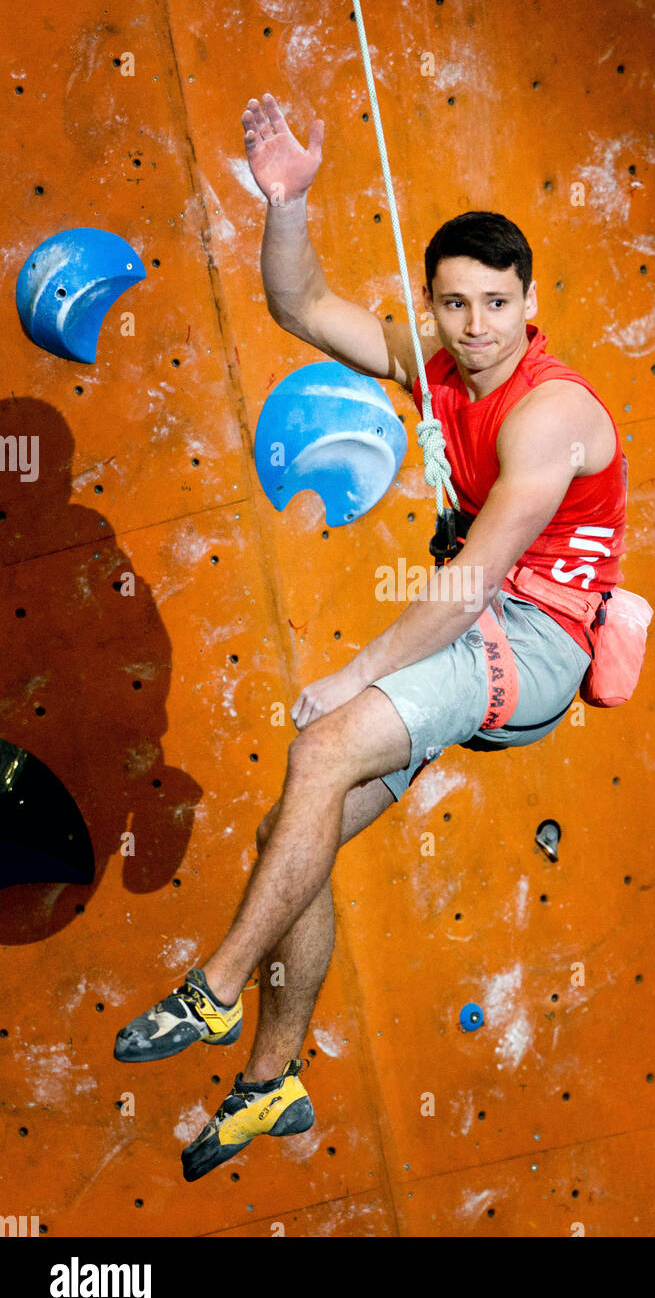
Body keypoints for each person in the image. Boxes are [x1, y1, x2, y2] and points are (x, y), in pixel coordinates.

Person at [113, 93, 627, 1182]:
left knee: (324, 740)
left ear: (530, 303)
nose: (476, 324)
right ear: (436, 309)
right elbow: (302, 307)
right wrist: (285, 202)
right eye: (455, 305)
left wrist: (354, 670)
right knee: (291, 840)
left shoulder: (551, 414)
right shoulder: (438, 365)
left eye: (496, 303)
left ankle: (212, 987)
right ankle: (271, 1081)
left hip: (531, 644)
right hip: (475, 636)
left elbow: (472, 582)